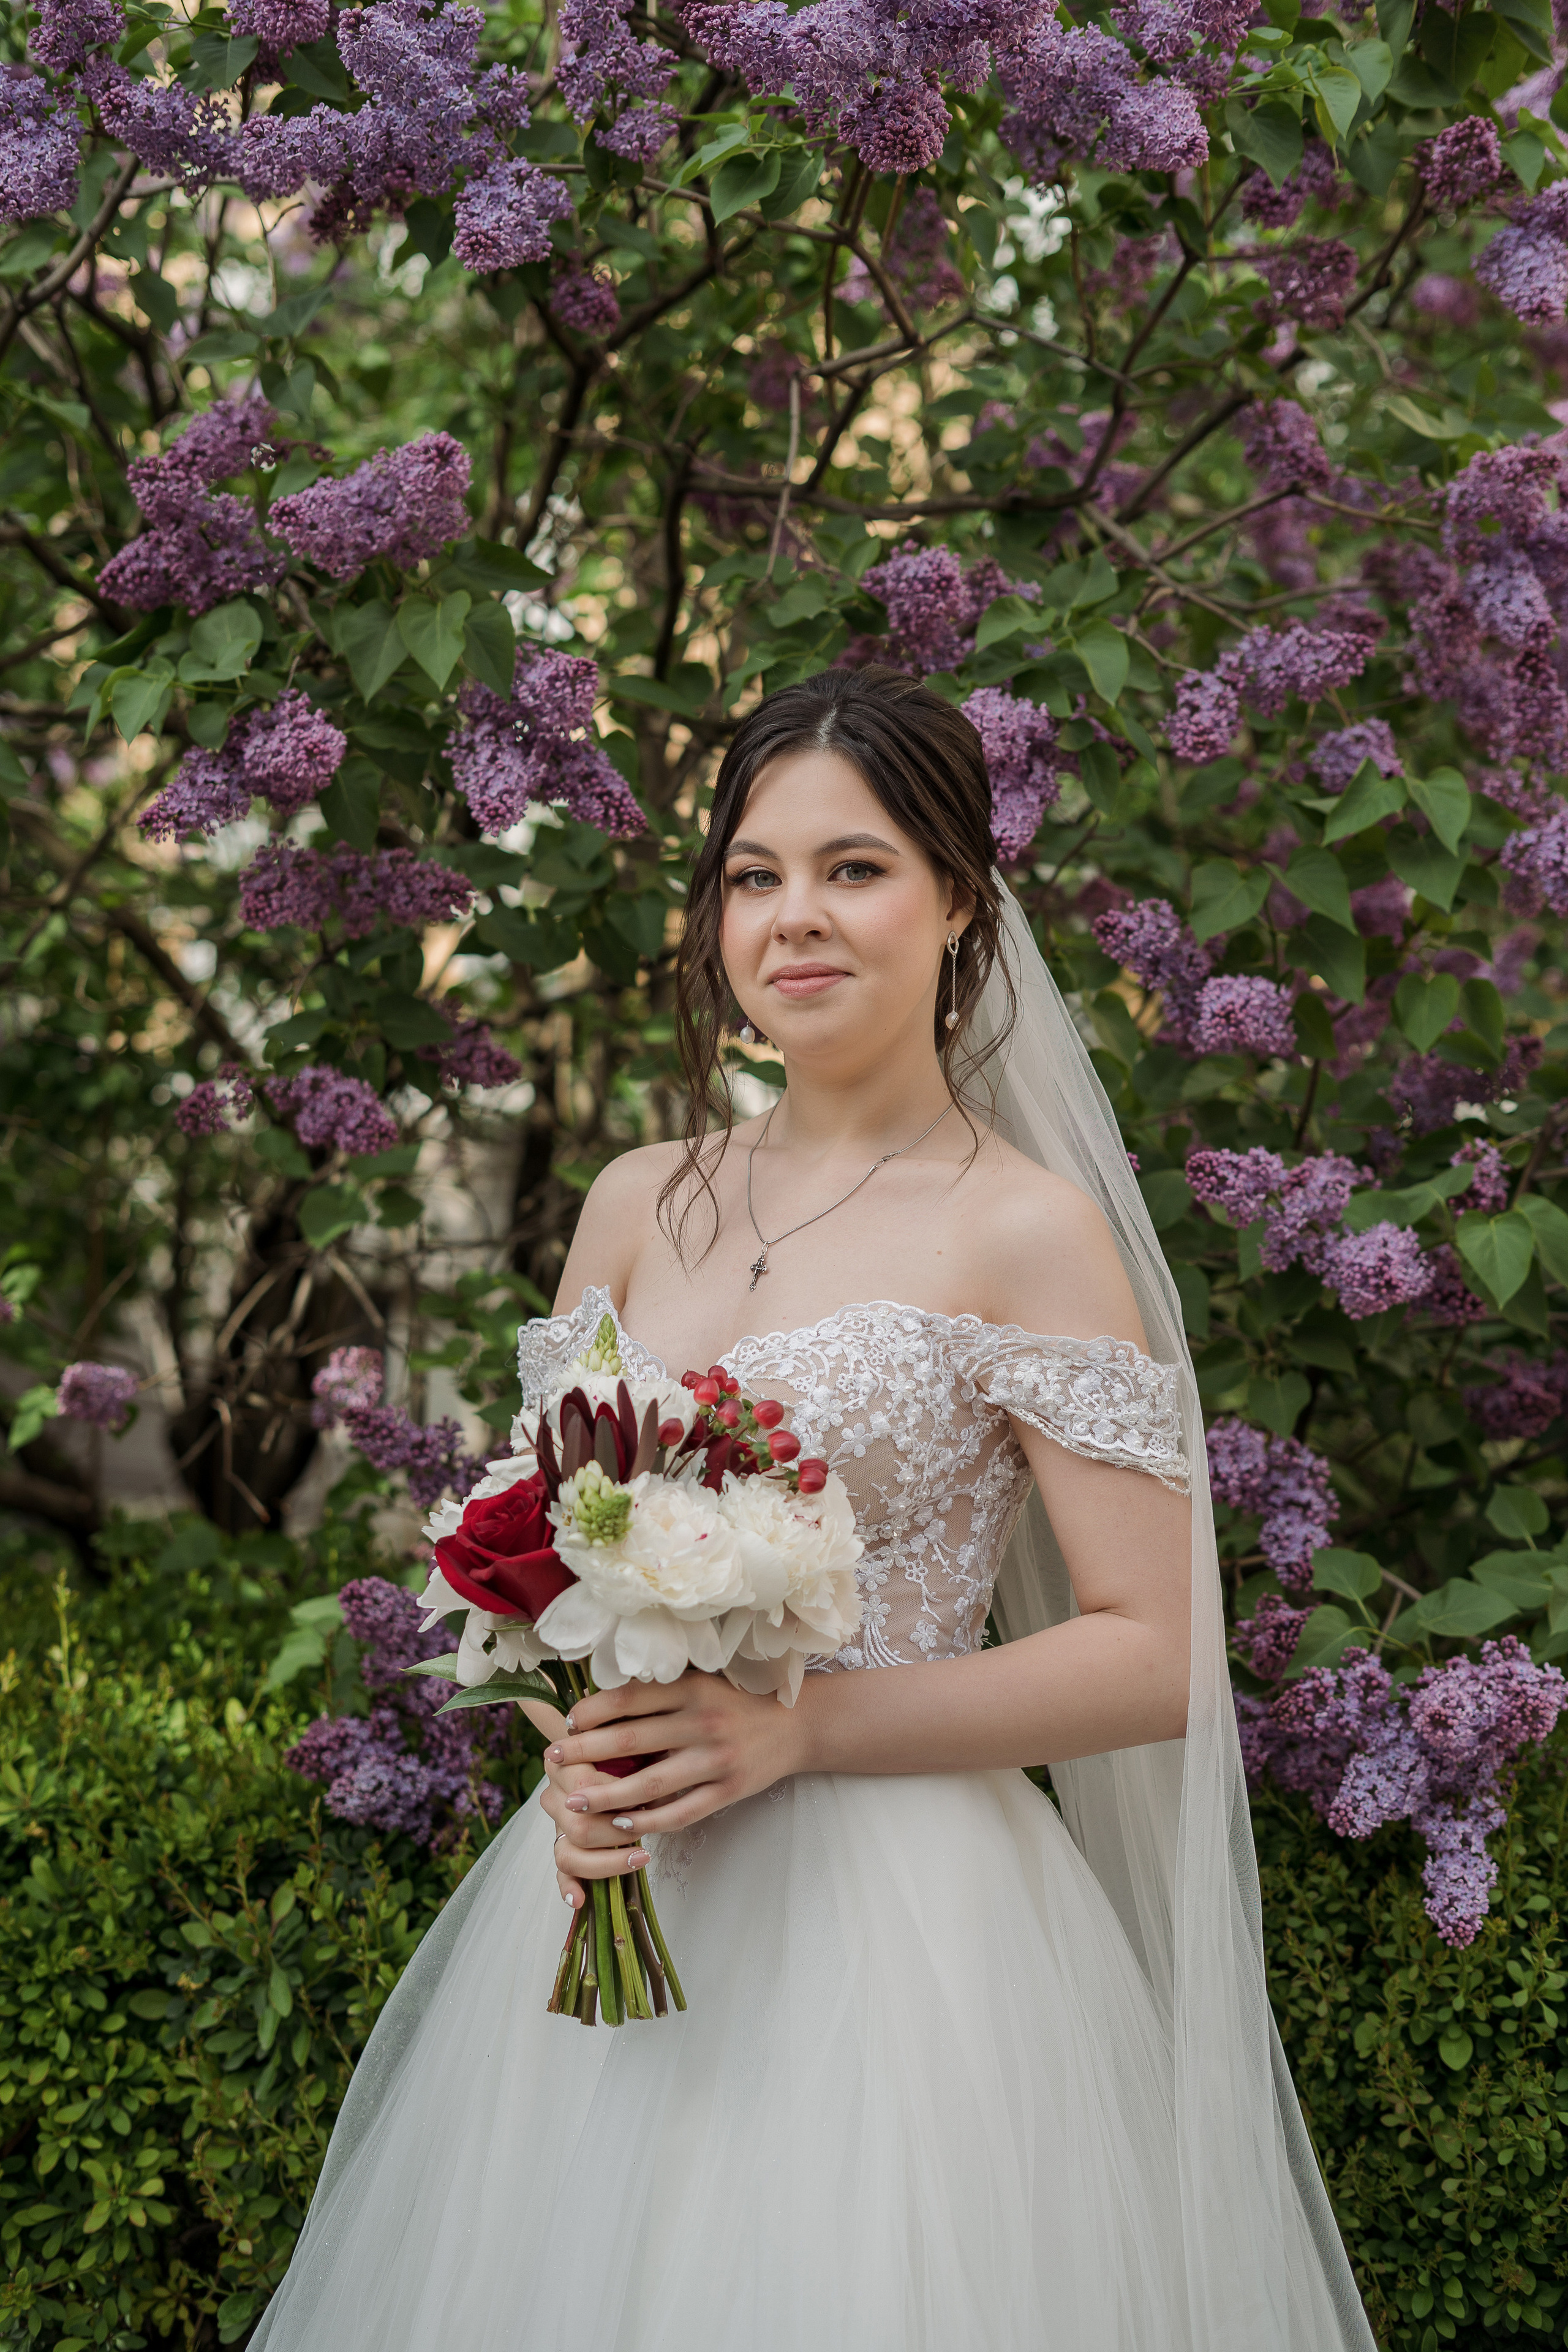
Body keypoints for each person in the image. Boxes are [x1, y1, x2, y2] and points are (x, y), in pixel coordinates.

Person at [251, 667, 1375, 2351]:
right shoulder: (639, 1198)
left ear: (958, 903)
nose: (795, 918)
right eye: (754, 875)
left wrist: (803, 1733)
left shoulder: (1028, 1230)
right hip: (609, 1903)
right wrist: (579, 1746)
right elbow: (562, 1564)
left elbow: (1155, 1659)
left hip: (909, 1939)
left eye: (854, 869)